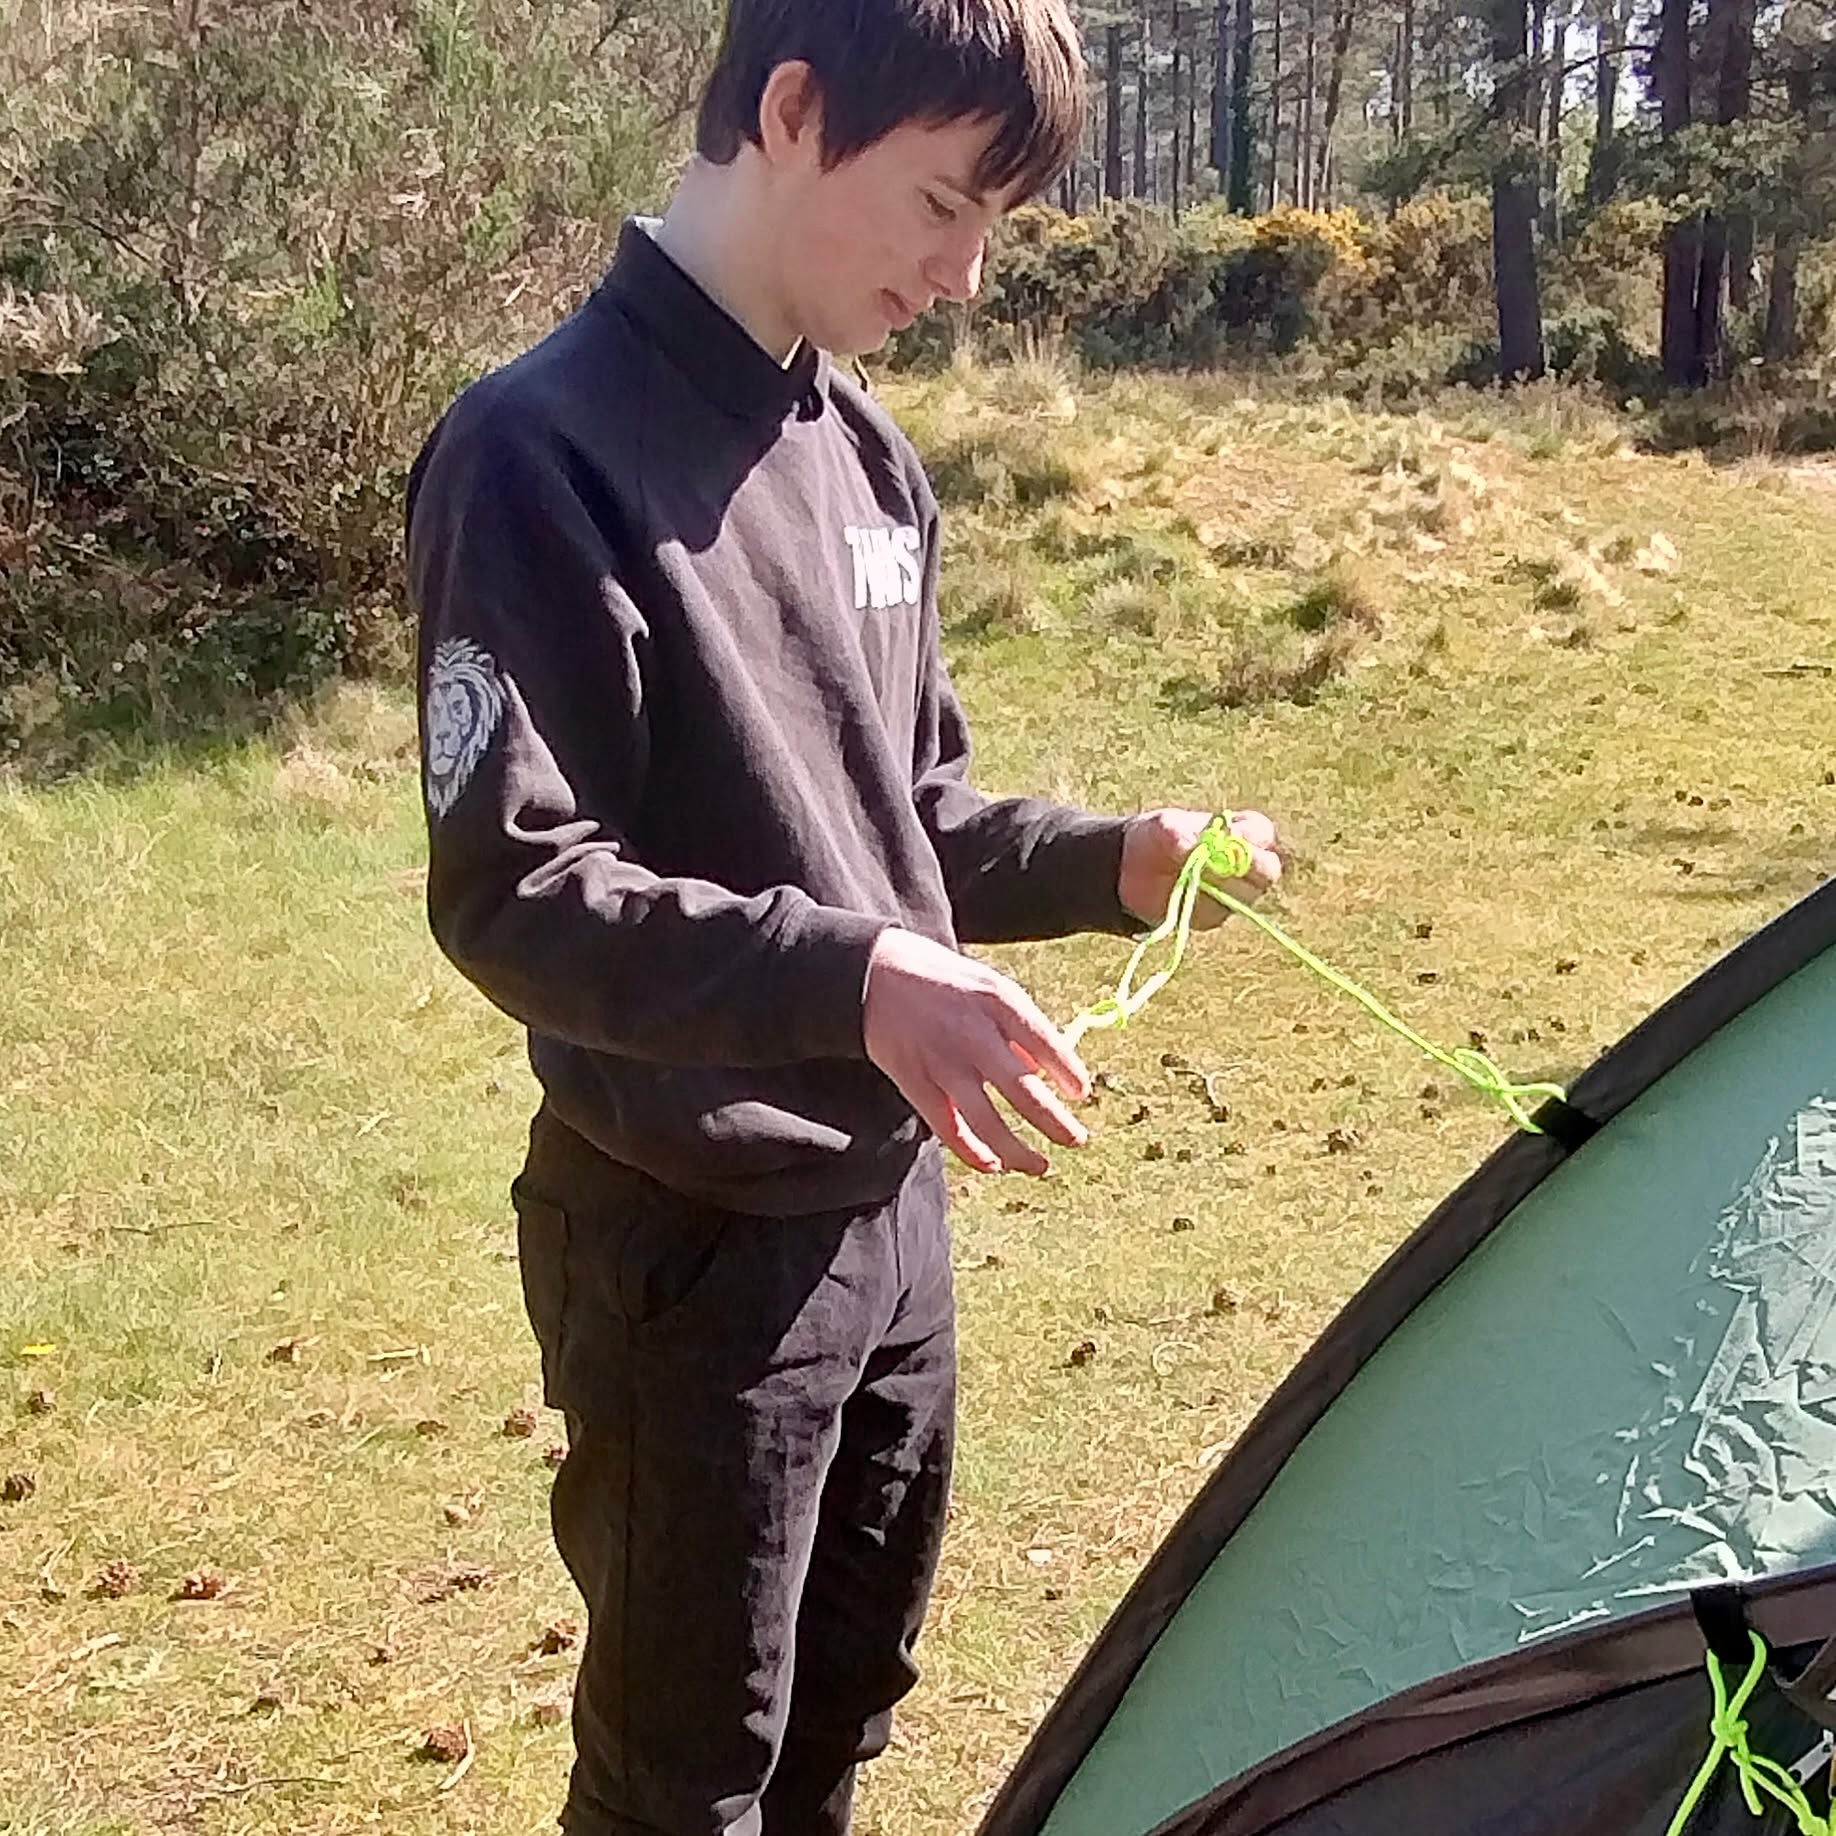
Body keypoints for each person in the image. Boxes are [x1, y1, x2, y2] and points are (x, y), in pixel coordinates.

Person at [404, 2, 1282, 1831]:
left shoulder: (873, 461)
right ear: (794, 110)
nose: (963, 278)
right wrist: (862, 977)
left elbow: (913, 821)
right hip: (689, 1247)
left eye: (993, 228)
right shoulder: (535, 452)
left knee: (839, 1726)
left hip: (892, 1225)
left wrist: (1115, 860)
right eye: (944, 204)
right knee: (685, 1781)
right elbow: (520, 889)